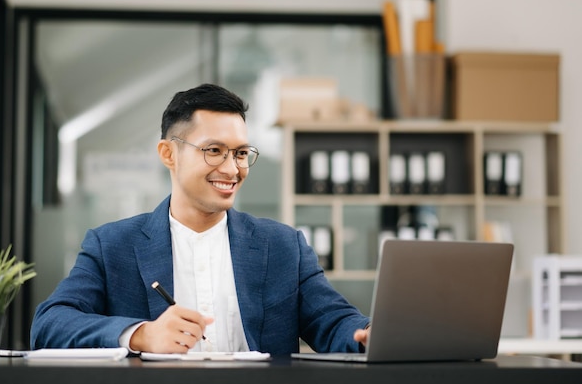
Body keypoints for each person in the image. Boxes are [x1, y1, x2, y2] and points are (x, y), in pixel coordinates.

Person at [30, 83, 370, 355]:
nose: (232, 168)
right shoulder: (112, 246)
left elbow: (332, 319)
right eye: (214, 150)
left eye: (240, 153)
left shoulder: (283, 246)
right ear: (168, 153)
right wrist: (141, 335)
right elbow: (50, 324)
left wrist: (368, 334)